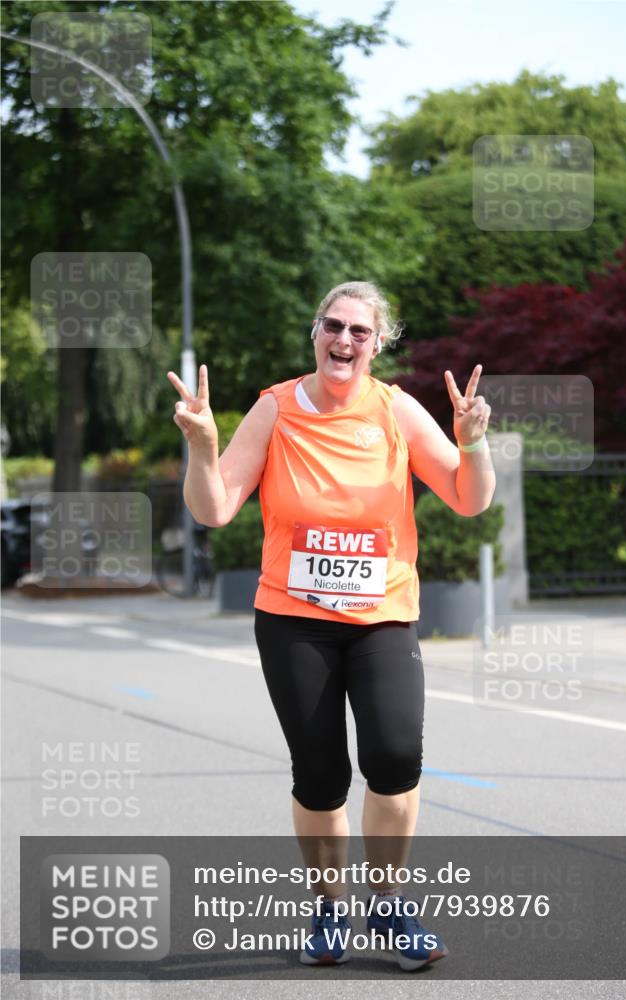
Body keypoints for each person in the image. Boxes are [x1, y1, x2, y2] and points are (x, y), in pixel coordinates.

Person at [168, 280, 495, 971]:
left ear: (378, 345)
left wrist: (472, 445)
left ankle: (388, 904)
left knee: (394, 758)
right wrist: (202, 447)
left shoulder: (397, 412)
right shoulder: (274, 409)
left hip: (381, 617)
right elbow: (215, 509)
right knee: (320, 774)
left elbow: (468, 499)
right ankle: (327, 908)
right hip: (293, 620)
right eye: (333, 326)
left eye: (359, 332)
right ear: (315, 333)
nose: (343, 340)